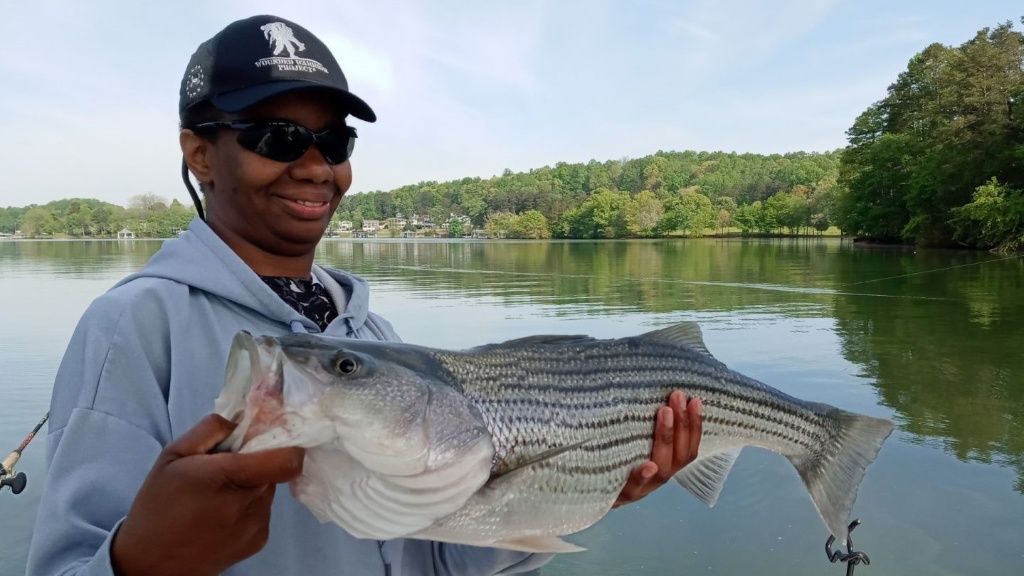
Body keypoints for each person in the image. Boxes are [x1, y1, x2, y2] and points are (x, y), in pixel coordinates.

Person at [26, 14, 703, 576]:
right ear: (200, 155)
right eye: (278, 136)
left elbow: (431, 563)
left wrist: (576, 488)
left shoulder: (373, 340)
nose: (316, 164)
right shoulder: (136, 326)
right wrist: (137, 564)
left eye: (332, 139)